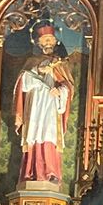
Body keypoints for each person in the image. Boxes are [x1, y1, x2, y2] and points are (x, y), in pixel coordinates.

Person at [13, 22, 74, 184]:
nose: (48, 43)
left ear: (55, 41)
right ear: (38, 43)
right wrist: (38, 71)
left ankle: (50, 172)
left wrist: (60, 91)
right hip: (35, 104)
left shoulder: (61, 63)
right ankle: (30, 172)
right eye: (45, 40)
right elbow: (22, 83)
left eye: (50, 39)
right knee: (34, 133)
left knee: (49, 134)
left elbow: (68, 86)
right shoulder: (32, 61)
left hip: (51, 105)